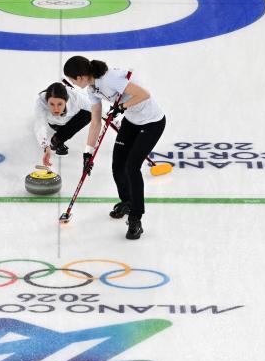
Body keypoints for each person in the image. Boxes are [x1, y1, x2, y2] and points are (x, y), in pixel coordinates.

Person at [63, 56, 166, 240]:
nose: (71, 82)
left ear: (79, 77)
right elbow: (95, 122)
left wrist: (122, 107)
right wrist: (88, 152)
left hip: (152, 122)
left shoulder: (110, 78)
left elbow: (144, 94)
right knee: (118, 164)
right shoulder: (92, 88)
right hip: (132, 122)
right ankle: (127, 201)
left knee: (132, 167)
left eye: (71, 79)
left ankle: (136, 218)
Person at [34, 82, 101, 168]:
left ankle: (57, 139)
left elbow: (94, 106)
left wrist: (111, 115)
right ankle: (56, 140)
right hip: (56, 124)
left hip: (71, 120)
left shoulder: (75, 97)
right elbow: (40, 125)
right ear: (47, 101)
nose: (56, 109)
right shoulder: (41, 102)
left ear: (66, 100)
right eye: (51, 104)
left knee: (90, 113)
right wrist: (46, 147)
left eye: (60, 104)